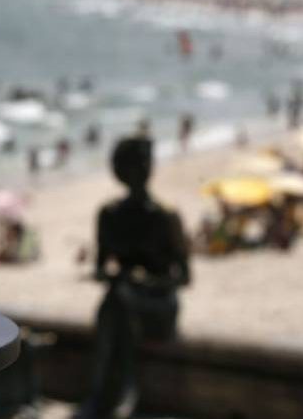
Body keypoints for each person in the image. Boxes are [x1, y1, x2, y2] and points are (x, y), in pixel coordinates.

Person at [76, 137, 191, 419]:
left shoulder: (165, 216)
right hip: (123, 301)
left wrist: (147, 282)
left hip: (158, 302)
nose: (143, 168)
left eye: (146, 161)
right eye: (136, 162)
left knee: (118, 304)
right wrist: (122, 278)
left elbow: (184, 278)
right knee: (119, 303)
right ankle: (116, 393)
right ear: (121, 169)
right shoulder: (109, 215)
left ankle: (108, 393)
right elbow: (100, 270)